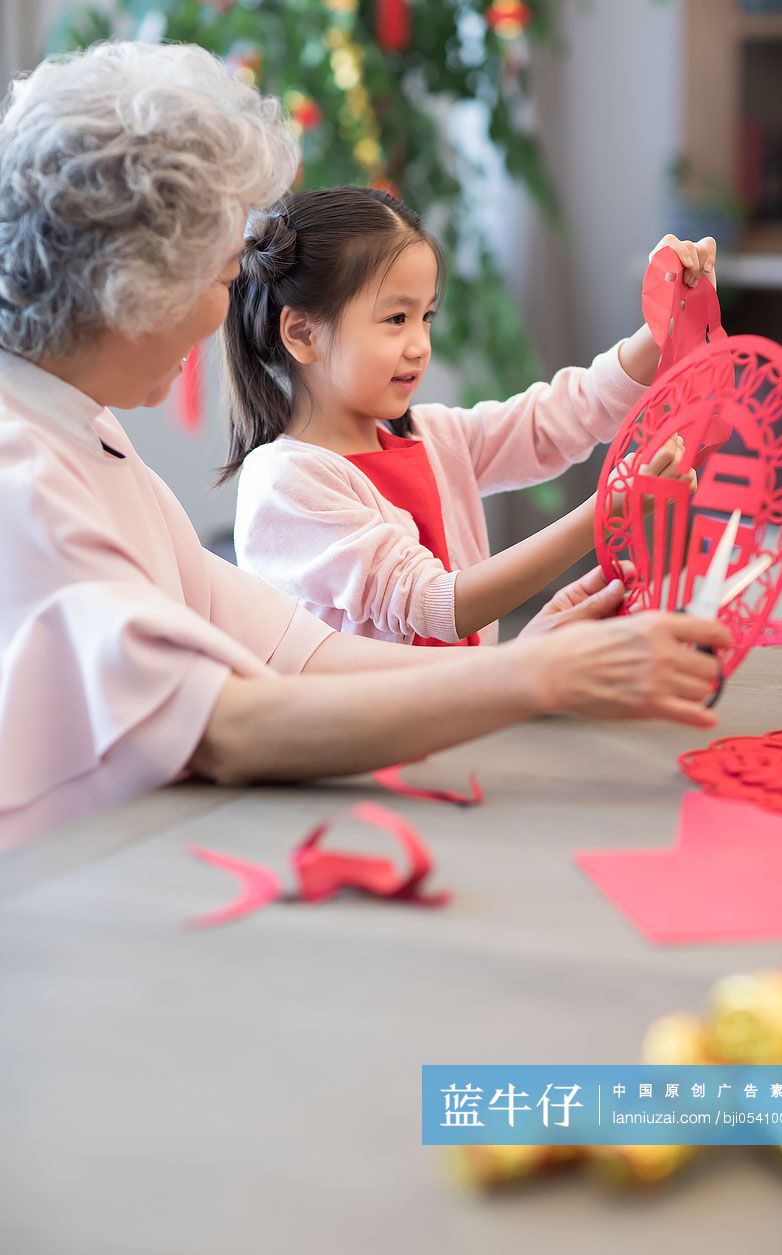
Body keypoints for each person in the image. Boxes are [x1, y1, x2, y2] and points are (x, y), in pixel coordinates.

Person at [0, 40, 728, 846]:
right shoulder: (25, 475)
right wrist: (534, 672)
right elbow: (227, 725)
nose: (221, 316)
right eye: (216, 280)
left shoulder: (87, 434)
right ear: (129, 282)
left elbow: (298, 653)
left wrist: (518, 669)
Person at [226, 185, 710, 646]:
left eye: (426, 317)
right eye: (396, 319)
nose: (420, 346)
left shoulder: (433, 436)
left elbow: (558, 418)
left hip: (461, 721)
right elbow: (437, 607)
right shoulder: (285, 483)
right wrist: (604, 512)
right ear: (303, 335)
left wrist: (661, 330)